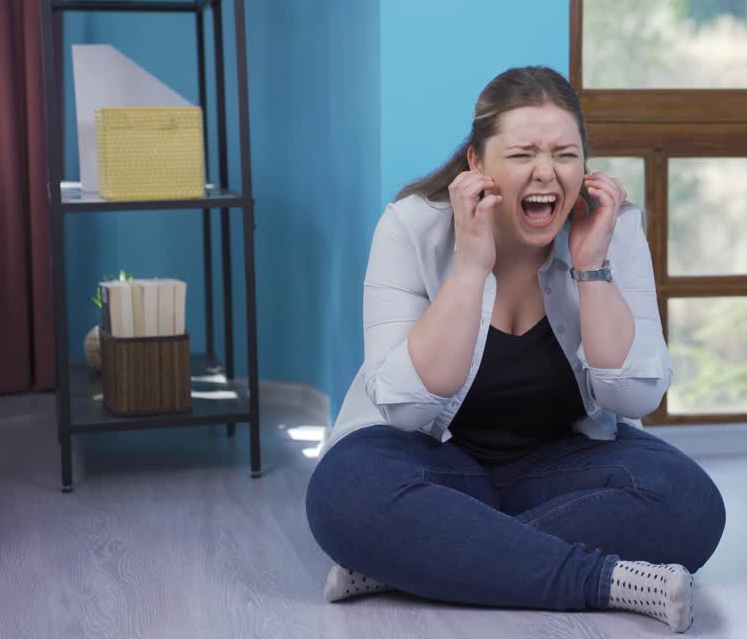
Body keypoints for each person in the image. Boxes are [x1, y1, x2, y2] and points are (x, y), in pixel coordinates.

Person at [305, 66, 725, 633]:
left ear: (585, 163)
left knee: (689, 502)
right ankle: (605, 581)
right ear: (477, 163)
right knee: (345, 491)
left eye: (565, 154)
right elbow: (405, 408)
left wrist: (592, 266)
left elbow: (632, 395)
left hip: (561, 461)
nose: (546, 172)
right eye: (523, 153)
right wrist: (471, 267)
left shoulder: (611, 229)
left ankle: (417, 560)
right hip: (431, 457)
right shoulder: (410, 226)